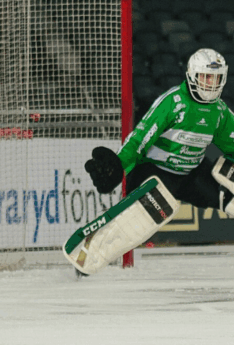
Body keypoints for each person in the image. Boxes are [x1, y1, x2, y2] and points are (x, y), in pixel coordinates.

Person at [86, 48, 234, 219]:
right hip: (156, 172)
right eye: (206, 76)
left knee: (230, 198)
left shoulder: (219, 110)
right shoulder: (173, 102)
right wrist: (119, 164)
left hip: (192, 175)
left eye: (216, 78)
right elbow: (140, 139)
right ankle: (120, 221)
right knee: (140, 218)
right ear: (193, 75)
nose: (212, 83)